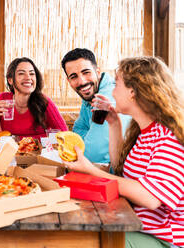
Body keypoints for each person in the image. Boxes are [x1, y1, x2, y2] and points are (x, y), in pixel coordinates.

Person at [63, 56, 184, 248]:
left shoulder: (168, 138)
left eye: (116, 84)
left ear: (133, 91)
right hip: (137, 227)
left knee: (82, 243)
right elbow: (120, 167)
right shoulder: (145, 131)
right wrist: (114, 123)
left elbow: (150, 198)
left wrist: (90, 170)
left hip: (164, 240)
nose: (112, 91)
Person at [61, 48, 130, 164]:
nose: (82, 81)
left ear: (97, 72)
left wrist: (86, 140)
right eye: (74, 77)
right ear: (69, 81)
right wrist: (89, 137)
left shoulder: (107, 98)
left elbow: (93, 155)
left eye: (86, 72)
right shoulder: (90, 95)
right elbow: (78, 130)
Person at [0, 57, 68, 142]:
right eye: (21, 73)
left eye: (32, 73)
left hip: (39, 155)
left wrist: (18, 139)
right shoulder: (3, 99)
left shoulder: (44, 101)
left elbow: (64, 134)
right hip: (10, 155)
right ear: (10, 80)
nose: (28, 78)